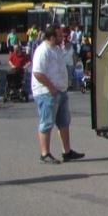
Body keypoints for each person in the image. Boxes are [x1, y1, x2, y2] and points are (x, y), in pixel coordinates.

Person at [31, 24, 84, 164]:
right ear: (52, 37)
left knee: (64, 122)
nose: (63, 38)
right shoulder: (43, 51)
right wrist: (51, 87)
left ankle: (67, 152)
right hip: (46, 92)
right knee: (46, 122)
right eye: (60, 36)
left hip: (60, 91)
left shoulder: (56, 49)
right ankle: (45, 154)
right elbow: (37, 73)